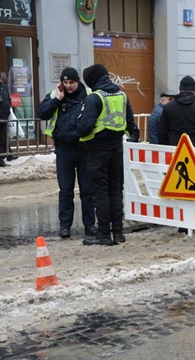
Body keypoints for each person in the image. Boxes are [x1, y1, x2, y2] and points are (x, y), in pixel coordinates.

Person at [77, 63, 140, 246]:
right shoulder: (122, 95)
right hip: (116, 149)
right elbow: (131, 124)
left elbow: (84, 128)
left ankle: (104, 234)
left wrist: (78, 126)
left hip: (97, 151)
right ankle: (118, 233)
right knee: (115, 191)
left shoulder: (94, 98)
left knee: (100, 192)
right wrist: (132, 140)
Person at [37, 67, 96, 239]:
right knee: (65, 191)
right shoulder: (55, 95)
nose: (68, 85)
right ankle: (65, 226)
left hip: (84, 149)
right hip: (64, 150)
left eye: (72, 82)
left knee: (87, 190)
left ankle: (90, 225)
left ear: (78, 81)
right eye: (65, 82)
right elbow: (42, 113)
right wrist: (57, 99)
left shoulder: (90, 95)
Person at [158, 75, 195, 148]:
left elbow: (162, 132)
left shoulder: (168, 107)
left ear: (179, 89)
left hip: (174, 149)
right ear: (194, 90)